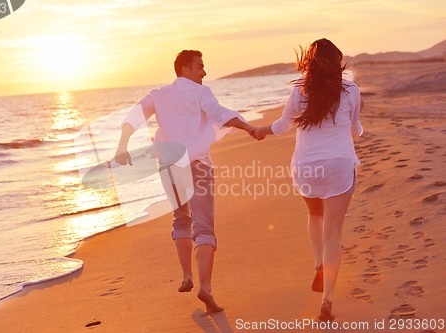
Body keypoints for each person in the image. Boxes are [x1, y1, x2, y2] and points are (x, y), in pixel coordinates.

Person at [114, 50, 257, 312]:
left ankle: (186, 276)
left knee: (181, 219)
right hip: (197, 164)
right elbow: (220, 113)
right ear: (185, 70)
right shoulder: (201, 93)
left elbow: (133, 117)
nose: (204, 72)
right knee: (203, 227)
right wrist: (248, 127)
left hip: (169, 166)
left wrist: (122, 146)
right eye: (200, 66)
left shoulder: (158, 95)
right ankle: (205, 288)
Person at [255, 38, 363, 321]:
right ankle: (327, 299)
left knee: (315, 215)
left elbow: (281, 126)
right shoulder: (350, 89)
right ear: (338, 61)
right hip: (339, 166)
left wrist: (259, 130)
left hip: (307, 167)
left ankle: (318, 263)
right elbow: (356, 130)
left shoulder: (301, 90)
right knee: (334, 234)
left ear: (310, 63)